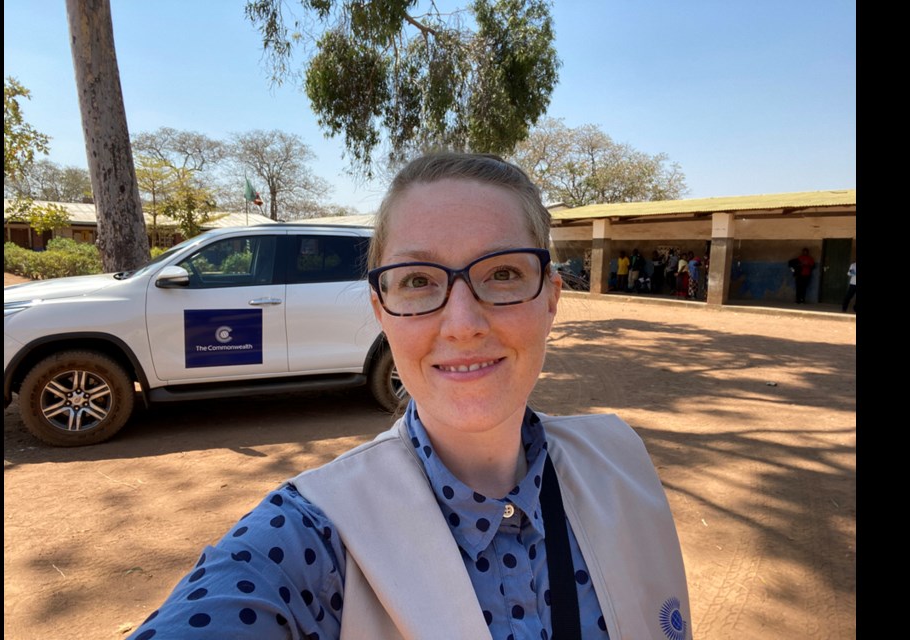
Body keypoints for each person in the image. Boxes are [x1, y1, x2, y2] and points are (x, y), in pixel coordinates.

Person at [128, 152, 691, 640]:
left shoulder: (621, 462)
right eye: (419, 280)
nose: (463, 322)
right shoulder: (311, 539)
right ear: (381, 310)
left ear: (550, 297)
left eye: (502, 273)